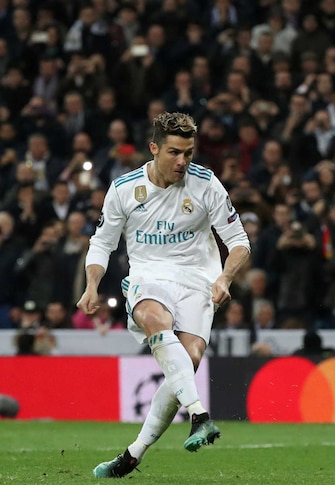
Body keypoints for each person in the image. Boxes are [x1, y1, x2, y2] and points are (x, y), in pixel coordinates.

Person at [77, 113, 251, 478]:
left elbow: (239, 242)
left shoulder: (206, 184)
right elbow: (101, 244)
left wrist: (224, 278)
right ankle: (200, 415)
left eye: (188, 153)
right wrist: (92, 285)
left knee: (188, 359)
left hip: (198, 279)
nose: (182, 162)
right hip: (149, 274)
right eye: (174, 152)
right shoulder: (124, 188)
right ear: (154, 148)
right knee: (155, 319)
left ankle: (133, 454)